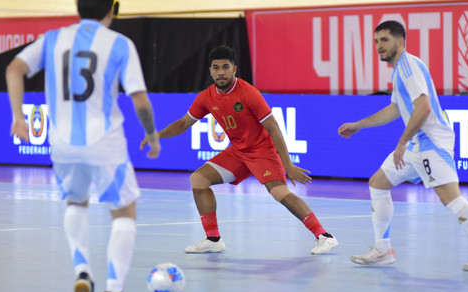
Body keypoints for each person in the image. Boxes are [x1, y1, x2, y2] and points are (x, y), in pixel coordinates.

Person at [5, 0, 160, 292]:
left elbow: (14, 69)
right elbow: (140, 99)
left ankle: (82, 273)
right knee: (123, 214)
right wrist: (152, 136)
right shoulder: (120, 44)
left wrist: (19, 117)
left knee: (76, 203)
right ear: (111, 10)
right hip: (105, 142)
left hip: (62, 144)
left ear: (78, 9)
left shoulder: (53, 38)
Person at [338, 20, 468, 271]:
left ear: (400, 41)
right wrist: (359, 124)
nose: (378, 46)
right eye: (376, 41)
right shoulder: (398, 71)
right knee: (377, 184)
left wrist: (402, 142)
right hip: (419, 142)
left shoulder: (409, 66)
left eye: (384, 40)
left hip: (432, 141)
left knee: (450, 197)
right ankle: (382, 251)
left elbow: (424, 107)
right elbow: (395, 108)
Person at [139, 45, 338, 255]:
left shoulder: (248, 93)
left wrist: (287, 164)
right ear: (210, 71)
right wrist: (157, 134)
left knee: (280, 193)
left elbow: (274, 128)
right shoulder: (206, 97)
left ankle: (324, 236)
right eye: (216, 68)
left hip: (262, 151)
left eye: (226, 67)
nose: (221, 72)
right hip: (237, 153)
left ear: (235, 69)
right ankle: (213, 239)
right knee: (198, 180)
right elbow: (183, 123)